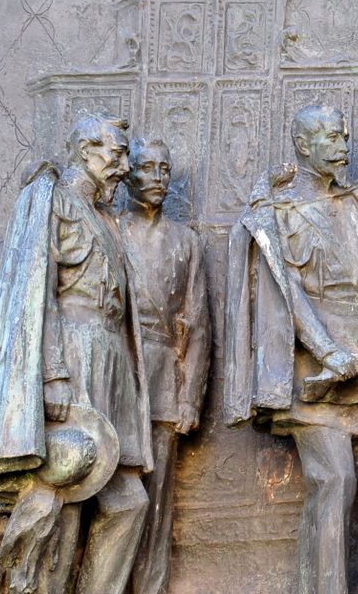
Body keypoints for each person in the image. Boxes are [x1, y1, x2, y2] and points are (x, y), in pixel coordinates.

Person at [224, 105, 358, 594]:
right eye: (330, 137)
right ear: (303, 146)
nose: (343, 145)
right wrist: (326, 351)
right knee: (334, 480)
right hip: (314, 368)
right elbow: (287, 293)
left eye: (344, 135)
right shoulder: (277, 214)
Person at [0, 112, 152, 593]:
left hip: (110, 357)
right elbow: (38, 294)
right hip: (72, 353)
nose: (123, 166)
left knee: (127, 502)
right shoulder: (51, 200)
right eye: (115, 154)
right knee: (65, 493)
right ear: (84, 150)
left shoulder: (101, 214)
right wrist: (52, 374)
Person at [121, 137, 211, 594]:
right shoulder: (110, 230)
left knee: (156, 504)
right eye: (147, 168)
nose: (157, 177)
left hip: (164, 384)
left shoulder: (186, 241)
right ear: (127, 174)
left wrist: (188, 397)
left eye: (164, 168)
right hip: (117, 378)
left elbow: (197, 324)